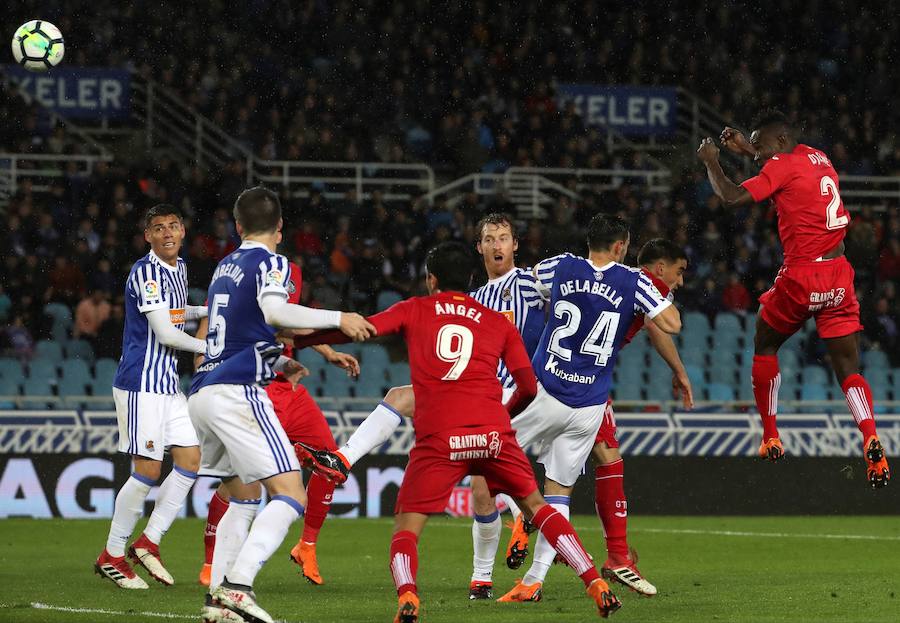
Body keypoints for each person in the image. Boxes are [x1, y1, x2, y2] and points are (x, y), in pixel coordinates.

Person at [294, 241, 623, 621]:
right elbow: (529, 386)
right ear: (471, 278)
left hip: (440, 438)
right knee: (540, 507)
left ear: (431, 279)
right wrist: (505, 418)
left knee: (407, 528)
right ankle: (593, 583)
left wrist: (300, 341)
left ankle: (409, 596)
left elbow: (363, 330)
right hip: (493, 433)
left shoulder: (414, 309)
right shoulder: (496, 319)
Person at [296, 212, 548, 600]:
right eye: (490, 239)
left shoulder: (533, 284)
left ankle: (343, 460)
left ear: (516, 245)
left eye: (504, 238)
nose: (497, 245)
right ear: (478, 248)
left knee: (402, 398)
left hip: (509, 393)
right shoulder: (474, 300)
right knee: (481, 490)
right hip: (472, 394)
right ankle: (484, 577)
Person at [189, 187, 374, 623]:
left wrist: (306, 351)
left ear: (237, 226)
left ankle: (218, 597)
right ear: (280, 227)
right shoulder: (271, 262)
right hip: (239, 391)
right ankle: (238, 587)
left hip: (202, 390)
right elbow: (275, 312)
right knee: (291, 493)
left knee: (243, 496)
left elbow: (248, 324)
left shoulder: (225, 266)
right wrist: (338, 318)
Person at [697, 109, 890, 488]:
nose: (758, 152)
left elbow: (733, 197)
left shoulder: (781, 163)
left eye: (761, 145)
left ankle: (770, 435)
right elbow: (781, 170)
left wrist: (713, 163)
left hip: (803, 275)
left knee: (764, 344)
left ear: (781, 142)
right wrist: (749, 150)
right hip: (839, 274)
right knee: (849, 368)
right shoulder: (817, 157)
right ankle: (869, 435)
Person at [496, 216, 682, 603]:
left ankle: (520, 523)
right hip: (587, 405)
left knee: (486, 453)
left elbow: (530, 286)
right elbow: (671, 323)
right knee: (560, 491)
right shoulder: (635, 282)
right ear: (620, 247)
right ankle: (535, 577)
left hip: (543, 391)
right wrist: (646, 296)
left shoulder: (561, 265)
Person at [195, 260, 360, 587]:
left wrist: (328, 353)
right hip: (255, 389)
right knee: (239, 486)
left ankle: (307, 545)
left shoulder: (286, 273)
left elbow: (290, 319)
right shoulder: (239, 282)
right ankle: (212, 561)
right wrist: (339, 322)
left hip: (291, 390)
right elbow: (280, 324)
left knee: (331, 461)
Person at [94, 204, 209, 590]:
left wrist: (211, 309)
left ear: (183, 230)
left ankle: (149, 541)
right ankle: (112, 554)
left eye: (173, 225)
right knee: (147, 471)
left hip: (166, 384)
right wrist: (211, 347)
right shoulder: (147, 272)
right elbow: (166, 333)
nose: (167, 233)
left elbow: (178, 312)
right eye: (158, 228)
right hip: (141, 384)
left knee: (191, 459)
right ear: (148, 236)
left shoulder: (179, 268)